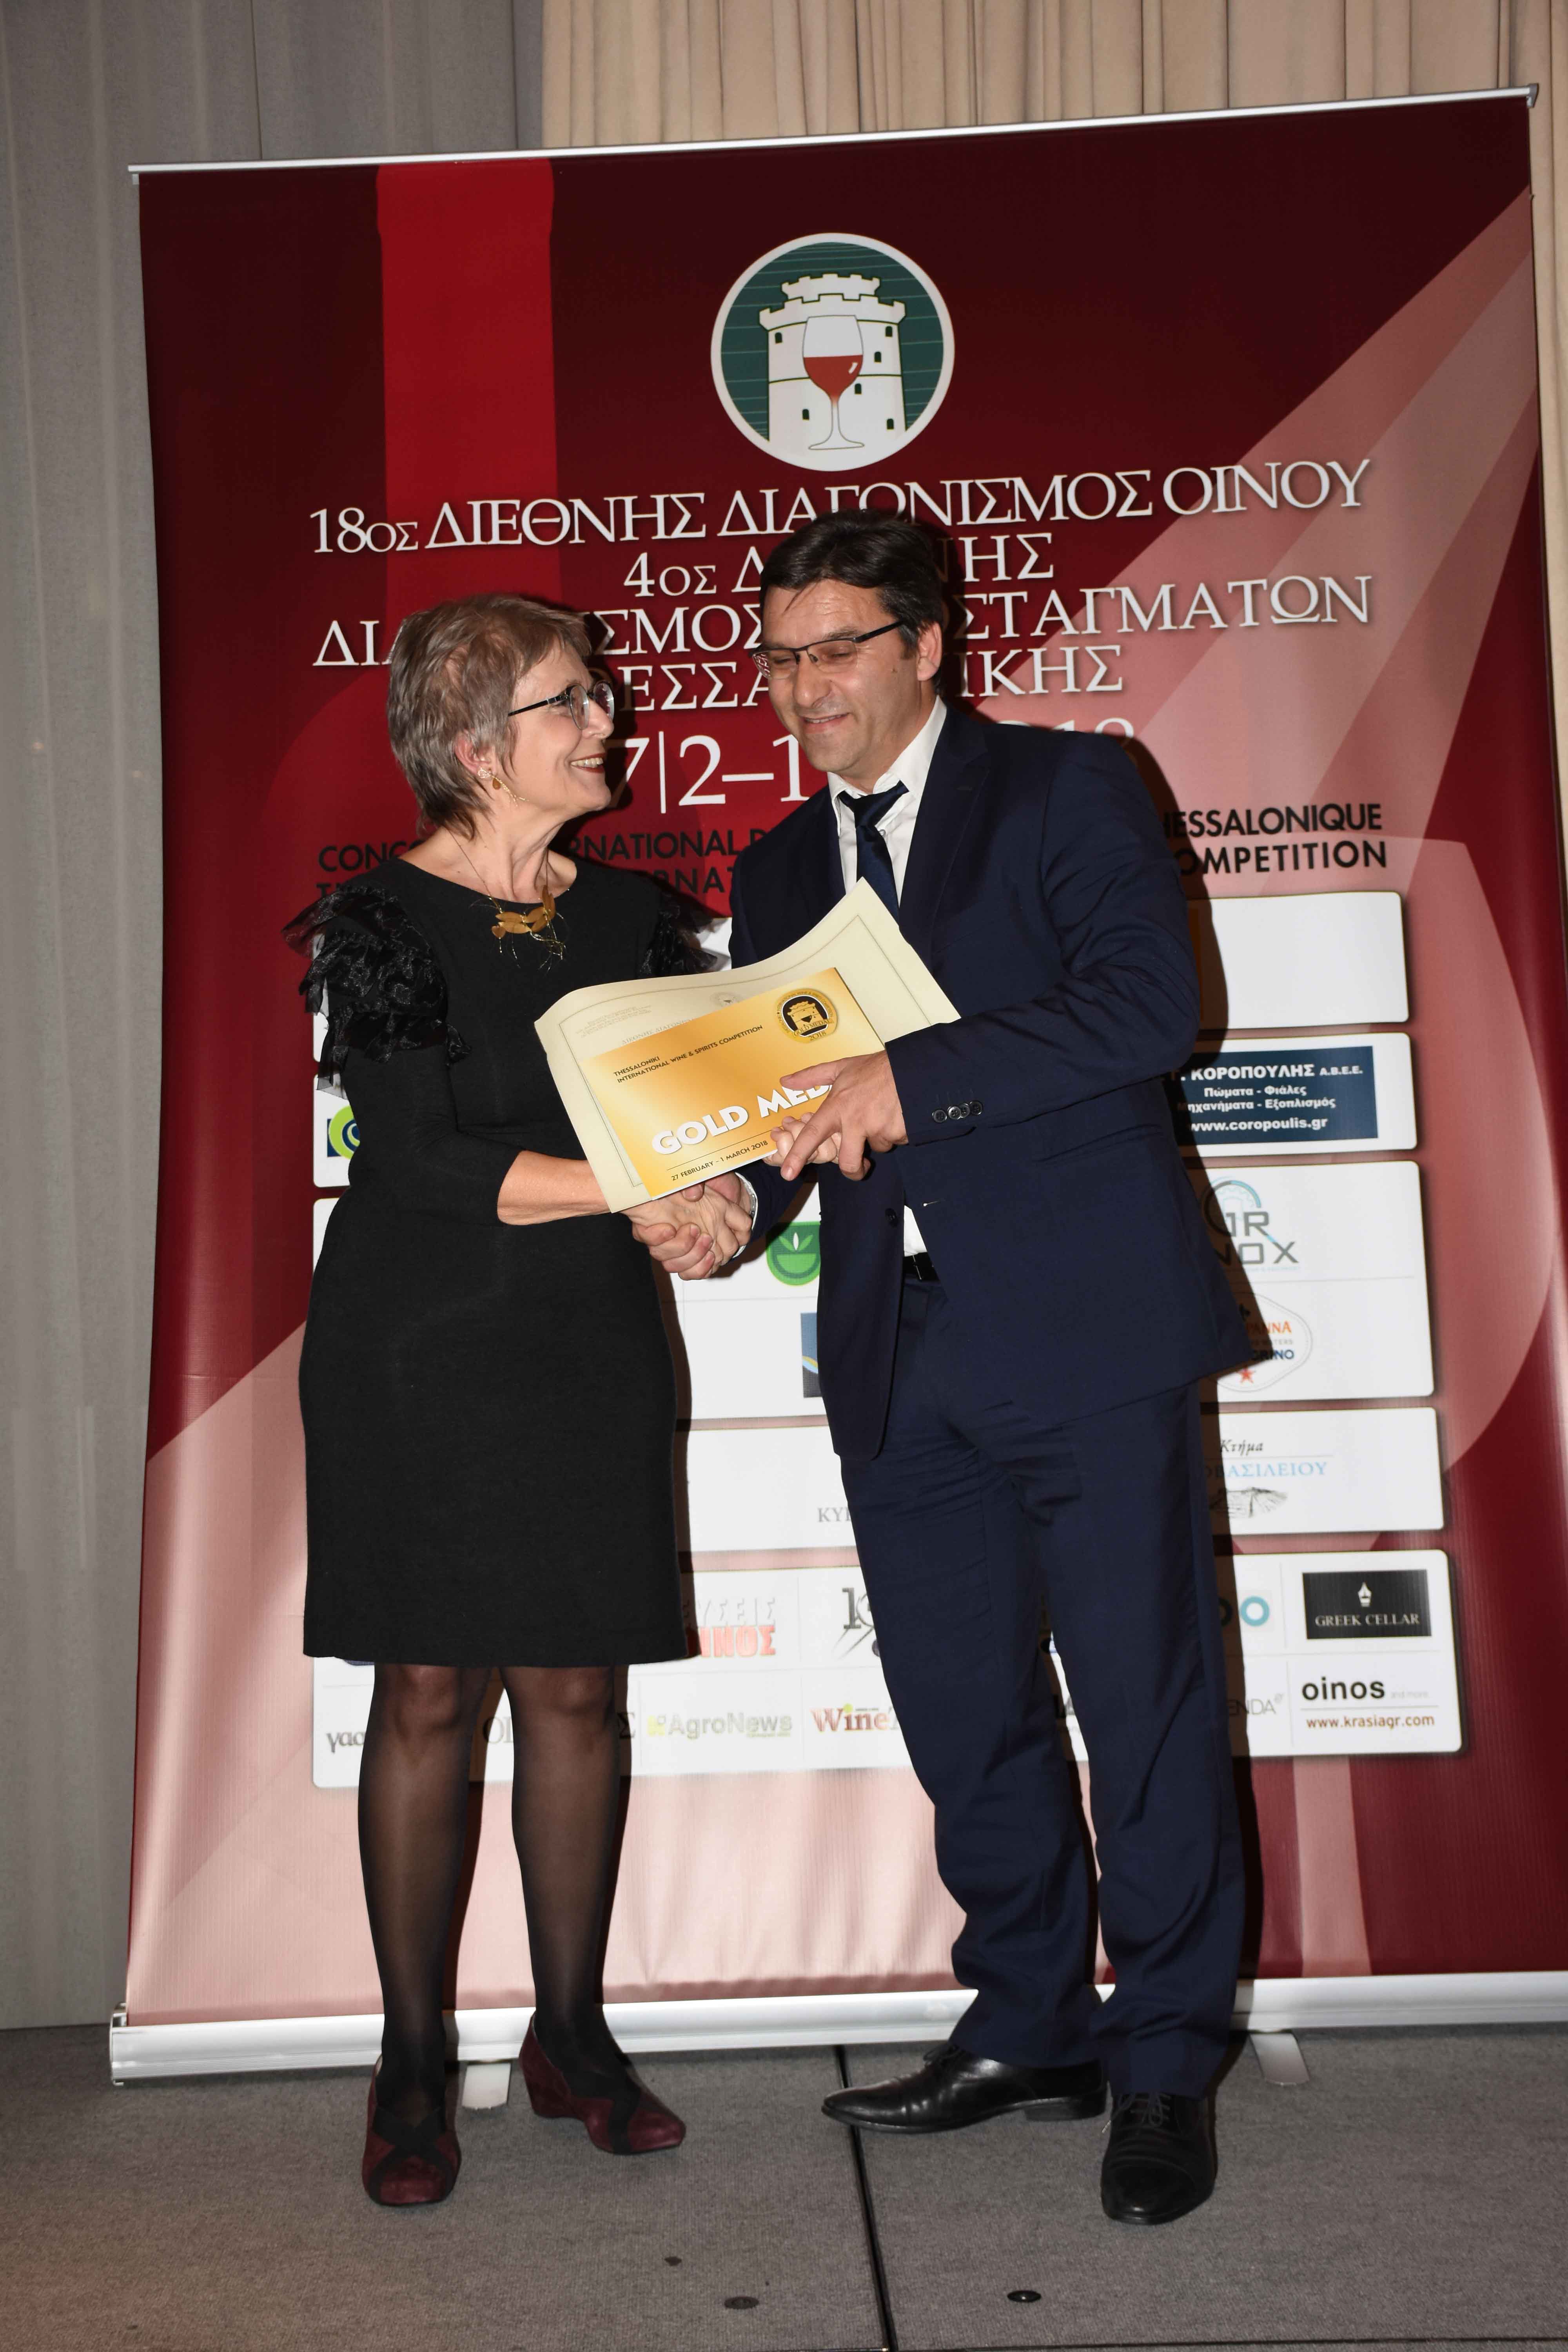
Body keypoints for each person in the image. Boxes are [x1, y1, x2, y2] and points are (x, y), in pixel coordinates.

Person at [712, 512, 1250, 2225]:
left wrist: (914, 1080)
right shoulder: (780, 869)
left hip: (1086, 1326)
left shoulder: (1066, 786)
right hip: (902, 1348)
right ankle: (1029, 2023)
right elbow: (795, 1108)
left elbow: (1148, 1009)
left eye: (838, 649)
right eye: (781, 658)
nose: (805, 689)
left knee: (1144, 1708)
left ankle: (1162, 2059)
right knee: (966, 1715)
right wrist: (733, 1199)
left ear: (928, 645)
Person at [285, 593, 748, 2207]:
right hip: (416, 1352)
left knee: (576, 1692)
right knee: (425, 1690)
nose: (609, 719)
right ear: (477, 747)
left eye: (599, 694)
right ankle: (412, 2061)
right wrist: (637, 1186)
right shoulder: (380, 922)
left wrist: (722, 1197)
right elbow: (414, 1155)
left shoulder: (632, 917)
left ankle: (572, 2037)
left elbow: (703, 1115)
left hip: (586, 1347)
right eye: (573, 701)